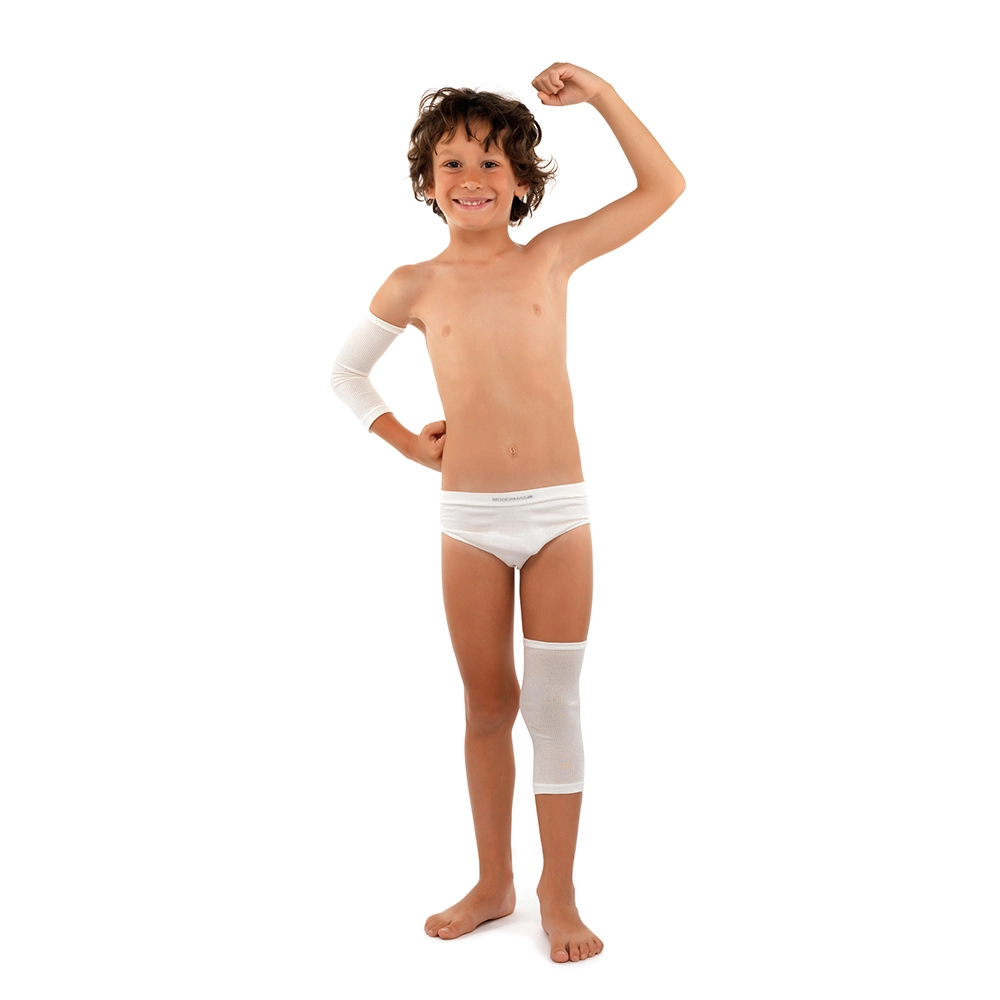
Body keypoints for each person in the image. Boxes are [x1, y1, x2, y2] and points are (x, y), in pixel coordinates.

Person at [330, 62, 684, 963]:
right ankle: (493, 881)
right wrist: (407, 444)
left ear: (523, 181)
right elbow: (345, 374)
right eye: (451, 163)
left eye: (492, 162)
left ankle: (557, 890)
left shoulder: (550, 257)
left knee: (554, 704)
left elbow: (664, 187)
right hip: (470, 523)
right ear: (426, 183)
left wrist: (603, 98)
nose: (472, 178)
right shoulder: (412, 284)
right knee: (488, 704)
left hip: (560, 514)